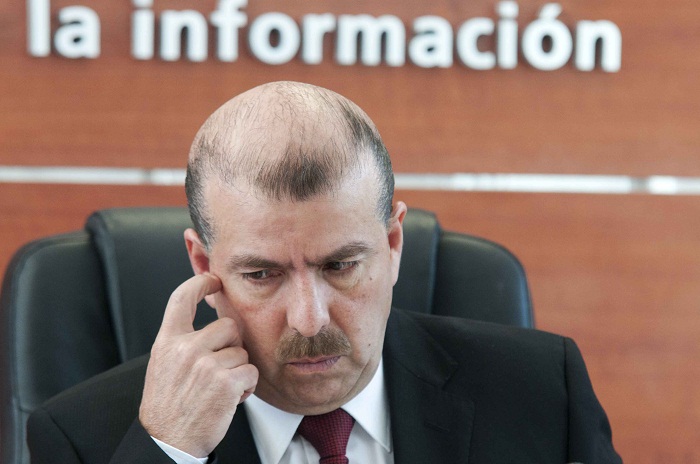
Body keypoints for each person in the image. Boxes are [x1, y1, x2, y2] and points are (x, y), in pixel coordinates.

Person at [27, 81, 622, 463]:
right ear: (204, 265)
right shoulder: (87, 437)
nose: (309, 320)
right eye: (262, 275)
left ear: (393, 243)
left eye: (340, 266)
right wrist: (172, 453)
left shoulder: (542, 392)